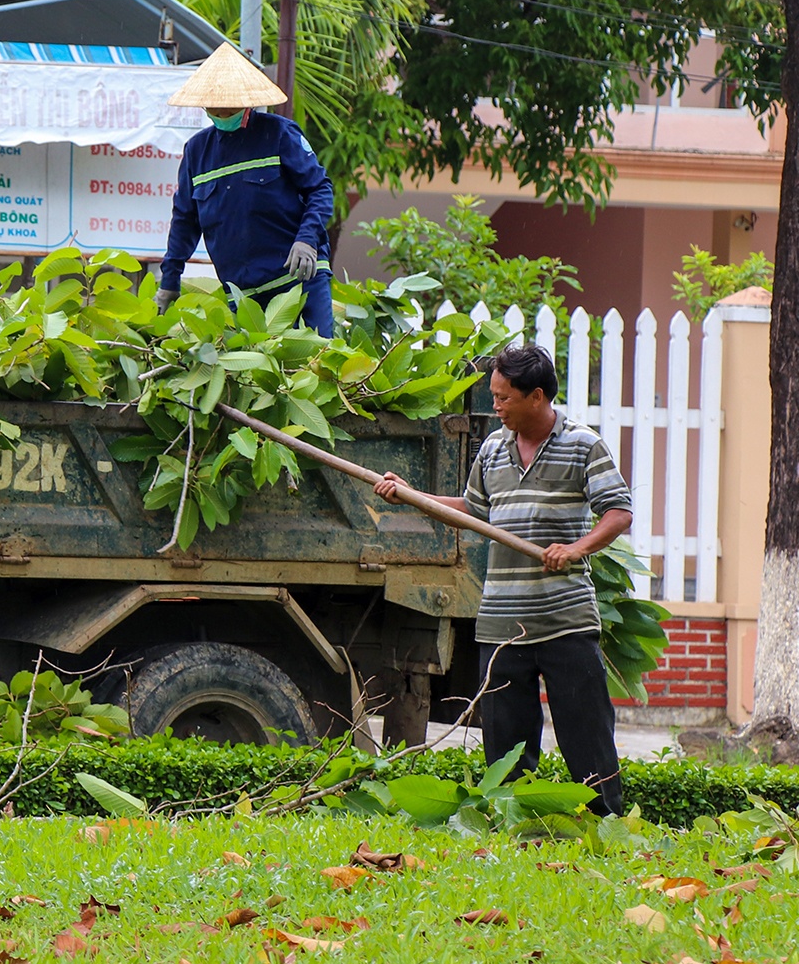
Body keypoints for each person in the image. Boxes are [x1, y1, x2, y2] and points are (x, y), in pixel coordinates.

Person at [373, 344, 634, 816]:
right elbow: (474, 511)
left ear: (536, 396)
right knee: (506, 746)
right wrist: (411, 497)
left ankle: (608, 825)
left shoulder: (583, 444)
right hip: (500, 623)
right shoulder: (493, 448)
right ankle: (515, 827)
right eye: (493, 396)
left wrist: (575, 549)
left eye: (502, 398)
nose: (495, 407)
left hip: (565, 620)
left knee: (588, 736)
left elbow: (618, 512)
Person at [156, 44, 335, 335]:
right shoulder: (196, 152)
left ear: (246, 102)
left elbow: (320, 189)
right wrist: (170, 280)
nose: (221, 112)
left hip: (300, 279)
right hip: (245, 295)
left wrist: (307, 239)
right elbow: (184, 221)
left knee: (320, 359)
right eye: (214, 106)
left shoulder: (279, 134)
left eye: (228, 106)